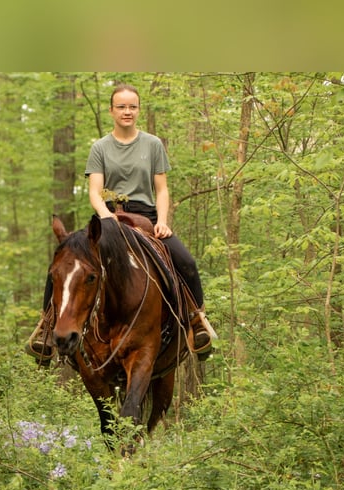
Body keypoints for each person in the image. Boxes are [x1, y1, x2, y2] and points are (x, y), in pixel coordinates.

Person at [26, 83, 217, 365]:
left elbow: (161, 189)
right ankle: (46, 329)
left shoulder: (152, 144)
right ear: (111, 110)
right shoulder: (100, 147)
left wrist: (162, 222)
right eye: (121, 107)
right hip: (108, 217)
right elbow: (94, 190)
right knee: (65, 261)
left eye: (132, 107)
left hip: (147, 217)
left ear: (138, 110)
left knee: (186, 261)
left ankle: (196, 321)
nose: (127, 112)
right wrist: (105, 215)